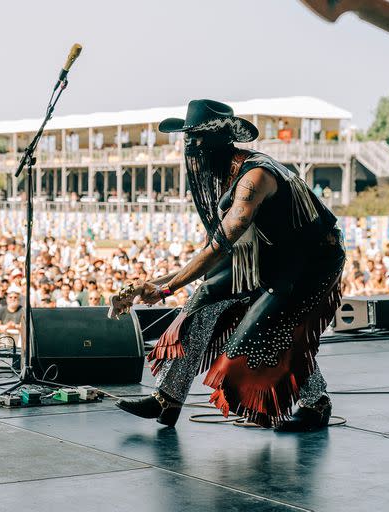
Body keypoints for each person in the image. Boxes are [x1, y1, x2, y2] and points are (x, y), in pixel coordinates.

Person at [113, 99, 345, 431]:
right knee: (202, 302)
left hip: (312, 262)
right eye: (186, 139)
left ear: (216, 144)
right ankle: (168, 399)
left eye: (196, 140)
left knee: (273, 329)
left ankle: (317, 403)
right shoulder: (229, 173)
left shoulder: (255, 177)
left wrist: (166, 288)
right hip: (271, 255)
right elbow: (215, 251)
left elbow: (221, 243)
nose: (190, 148)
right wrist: (155, 285)